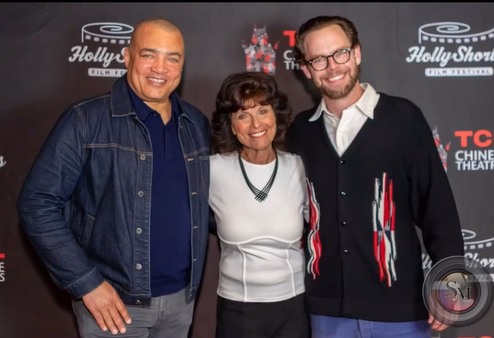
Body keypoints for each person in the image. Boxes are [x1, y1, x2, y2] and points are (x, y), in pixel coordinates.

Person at [17, 17, 211, 338]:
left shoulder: (195, 123)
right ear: (127, 57)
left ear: (182, 65)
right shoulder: (85, 119)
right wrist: (87, 282)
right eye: (149, 54)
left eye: (172, 58)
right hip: (114, 305)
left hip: (181, 302)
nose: (160, 67)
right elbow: (37, 204)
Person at [286, 15, 464, 338]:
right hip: (327, 314)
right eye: (319, 59)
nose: (332, 66)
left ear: (356, 53)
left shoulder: (403, 119)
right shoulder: (300, 131)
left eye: (340, 53)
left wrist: (449, 281)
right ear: (307, 69)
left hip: (401, 313)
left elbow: (439, 209)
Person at [209, 71, 309, 338]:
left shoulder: (298, 167)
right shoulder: (212, 171)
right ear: (231, 126)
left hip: (294, 307)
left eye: (263, 111)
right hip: (237, 309)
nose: (256, 124)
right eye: (243, 115)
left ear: (275, 115)